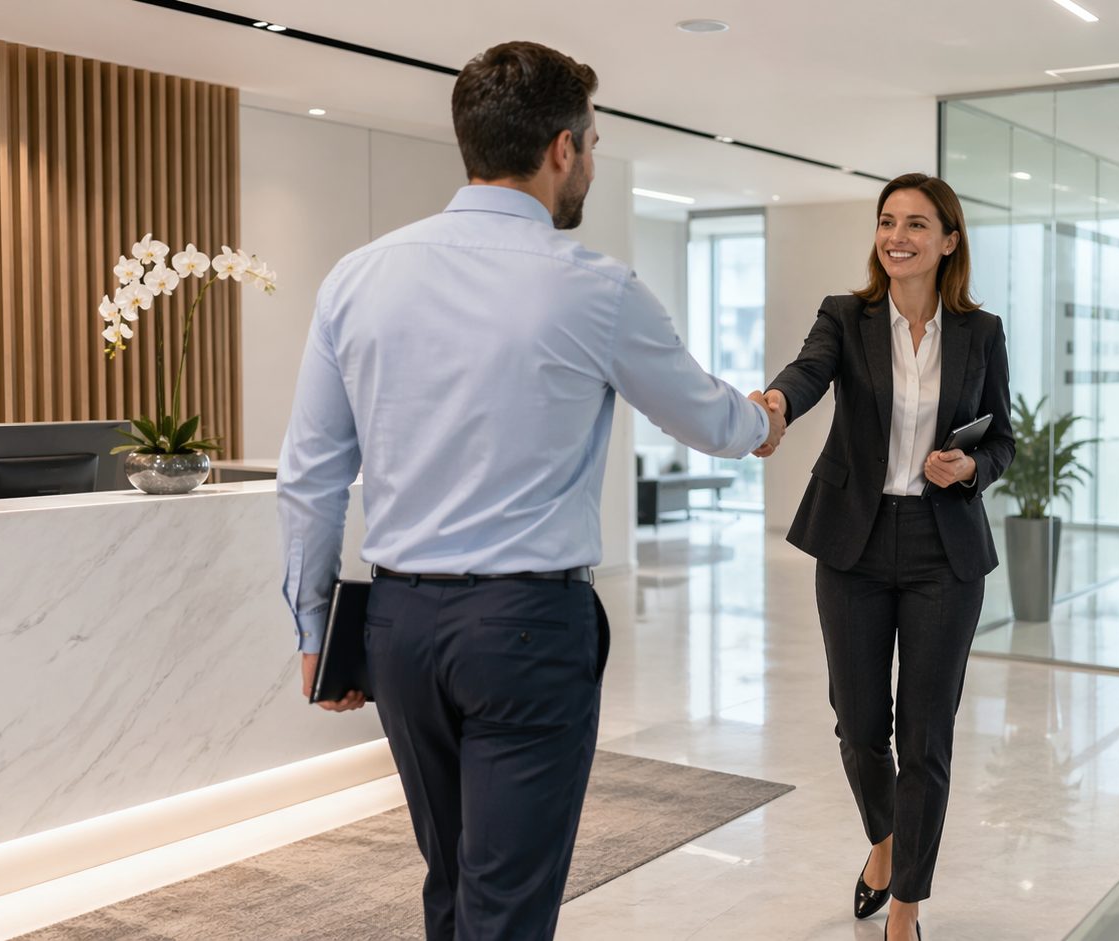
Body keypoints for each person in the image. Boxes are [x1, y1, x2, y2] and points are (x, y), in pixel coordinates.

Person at [276, 41, 783, 941]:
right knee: (505, 902)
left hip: (397, 631)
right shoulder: (592, 288)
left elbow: (313, 473)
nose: (590, 159)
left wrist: (317, 628)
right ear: (561, 149)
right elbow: (713, 422)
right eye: (591, 141)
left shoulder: (357, 278)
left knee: (455, 879)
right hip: (525, 631)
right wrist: (765, 417)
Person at [760, 173, 1013, 940]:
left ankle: (905, 905)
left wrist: (969, 468)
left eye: (914, 223)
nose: (896, 236)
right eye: (886, 221)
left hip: (944, 550)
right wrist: (773, 402)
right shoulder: (847, 315)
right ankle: (887, 842)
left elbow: (1002, 437)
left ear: (949, 240)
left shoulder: (979, 330)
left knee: (925, 732)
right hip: (854, 542)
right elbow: (807, 373)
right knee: (861, 723)